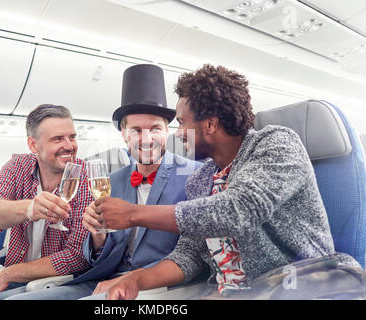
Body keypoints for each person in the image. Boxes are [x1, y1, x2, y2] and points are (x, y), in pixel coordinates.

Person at [93, 64, 362, 300]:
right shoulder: (200, 180)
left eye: (183, 123)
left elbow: (239, 210)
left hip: (300, 284)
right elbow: (189, 255)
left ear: (210, 124)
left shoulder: (276, 143)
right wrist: (134, 280)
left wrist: (132, 214)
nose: (177, 134)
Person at [3, 64, 200, 300]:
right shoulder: (113, 180)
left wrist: (131, 279)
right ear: (123, 134)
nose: (146, 139)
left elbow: (191, 255)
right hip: (101, 279)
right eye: (136, 130)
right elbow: (98, 255)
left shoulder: (193, 175)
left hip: (153, 287)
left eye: (155, 129)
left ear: (167, 129)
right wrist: (98, 235)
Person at [0, 104, 93, 300]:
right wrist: (29, 208)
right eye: (57, 139)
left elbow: (77, 257)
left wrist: (8, 273)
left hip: (66, 279)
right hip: (19, 276)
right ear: (33, 145)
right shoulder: (18, 166)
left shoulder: (87, 177)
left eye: (72, 137)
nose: (70, 146)